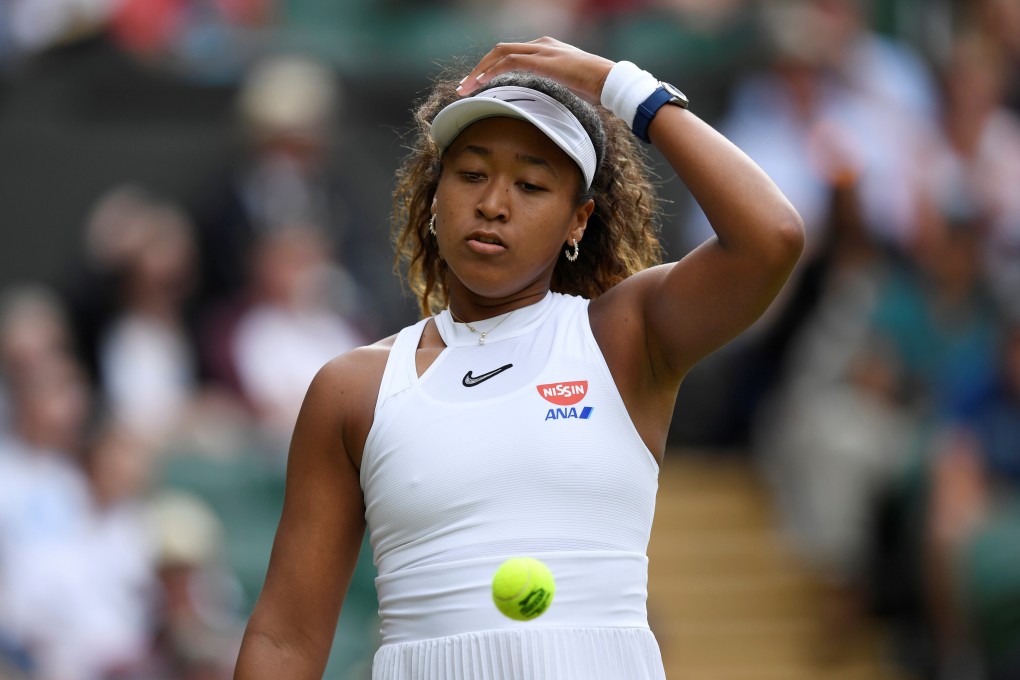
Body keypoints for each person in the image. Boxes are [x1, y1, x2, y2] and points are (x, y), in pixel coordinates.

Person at [233, 36, 804, 679]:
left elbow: (771, 237)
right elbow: (284, 639)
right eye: (471, 174)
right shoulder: (352, 390)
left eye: (531, 185)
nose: (493, 203)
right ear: (434, 195)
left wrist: (619, 84)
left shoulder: (623, 338)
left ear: (578, 221)